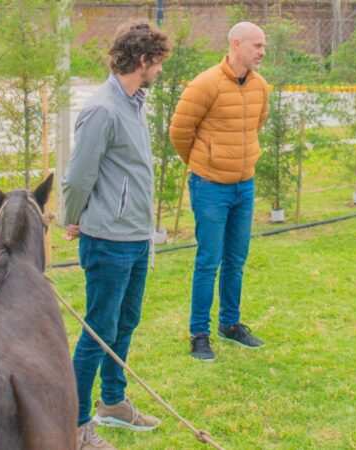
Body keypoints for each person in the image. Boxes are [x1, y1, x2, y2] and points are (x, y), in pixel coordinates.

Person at [62, 21, 169, 449]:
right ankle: (75, 425)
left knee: (125, 323)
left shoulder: (134, 102)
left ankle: (113, 402)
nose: (160, 70)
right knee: (98, 334)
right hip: (108, 241)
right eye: (158, 62)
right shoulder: (102, 109)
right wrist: (72, 218)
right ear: (142, 61)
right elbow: (78, 176)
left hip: (136, 238)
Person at [169, 22, 269, 361]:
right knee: (208, 261)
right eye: (256, 45)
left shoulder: (260, 87)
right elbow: (180, 132)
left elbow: (256, 125)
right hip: (210, 187)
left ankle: (230, 324)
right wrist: (204, 162)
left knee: (236, 260)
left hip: (245, 186)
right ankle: (199, 333)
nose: (261, 51)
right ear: (236, 44)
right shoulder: (205, 84)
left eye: (263, 45)